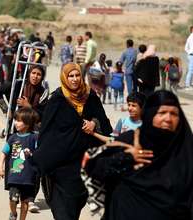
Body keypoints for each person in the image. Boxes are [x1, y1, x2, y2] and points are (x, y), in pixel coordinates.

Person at [85, 90, 193, 220]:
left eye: (174, 113)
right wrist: (125, 158)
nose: (168, 119)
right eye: (162, 112)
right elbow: (94, 167)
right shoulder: (130, 140)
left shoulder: (185, 149)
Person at [32, 63, 112, 220]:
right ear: (65, 77)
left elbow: (105, 124)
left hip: (83, 166)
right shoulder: (57, 99)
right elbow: (46, 131)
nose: (75, 79)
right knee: (63, 213)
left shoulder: (91, 97)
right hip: (60, 167)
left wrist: (94, 123)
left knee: (74, 209)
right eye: (71, 76)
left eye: (77, 75)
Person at [0, 107, 39, 220]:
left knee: (25, 201)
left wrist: (32, 154)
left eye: (19, 120)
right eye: (15, 120)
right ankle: (13, 213)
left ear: (28, 123)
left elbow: (39, 154)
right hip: (14, 175)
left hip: (29, 176)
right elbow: (4, 152)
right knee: (13, 198)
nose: (16, 123)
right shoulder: (12, 138)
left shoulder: (34, 138)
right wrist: (0, 167)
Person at [184, 25, 193, 90]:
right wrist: (190, 53)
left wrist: (188, 52)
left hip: (190, 55)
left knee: (191, 70)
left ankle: (190, 84)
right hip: (191, 55)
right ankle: (187, 85)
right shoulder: (191, 37)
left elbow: (185, 48)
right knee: (191, 70)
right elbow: (186, 48)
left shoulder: (189, 37)